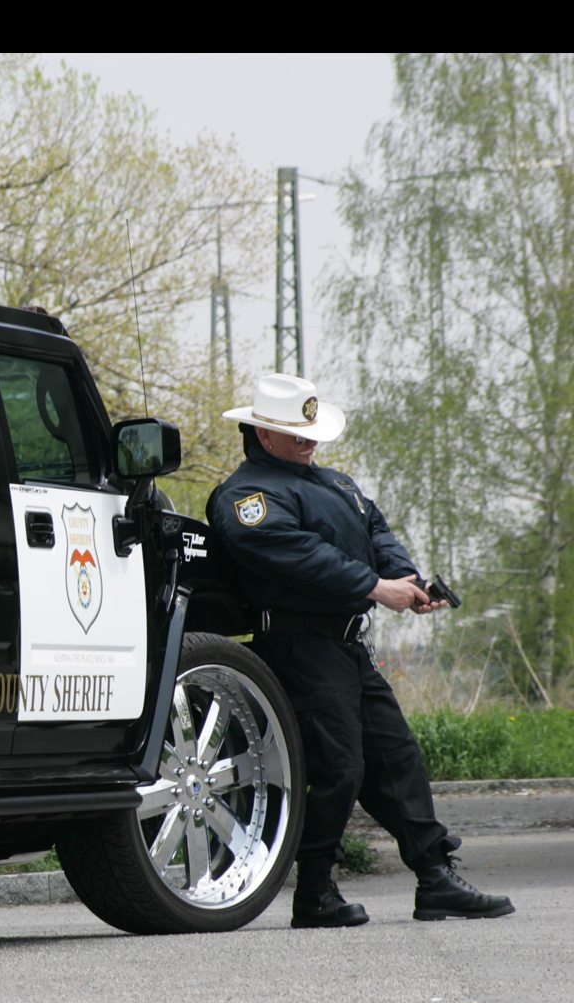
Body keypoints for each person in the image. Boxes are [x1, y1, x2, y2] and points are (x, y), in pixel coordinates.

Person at [207, 374, 513, 928]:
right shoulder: (246, 498)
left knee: (398, 759)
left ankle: (435, 878)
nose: (309, 442)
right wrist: (376, 589)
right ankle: (316, 890)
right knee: (338, 768)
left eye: (310, 432)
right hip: (298, 644)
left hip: (348, 643)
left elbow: (376, 530)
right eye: (295, 434)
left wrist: (405, 578)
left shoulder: (335, 483)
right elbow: (296, 555)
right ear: (262, 435)